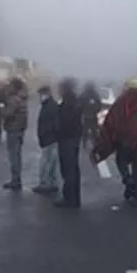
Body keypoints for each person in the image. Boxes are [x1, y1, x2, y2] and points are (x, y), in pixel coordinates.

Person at [92, 79, 137, 205]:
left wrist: (109, 136)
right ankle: (135, 185)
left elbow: (112, 119)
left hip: (124, 139)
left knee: (121, 161)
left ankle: (127, 179)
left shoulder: (122, 101)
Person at [54, 79, 83, 208]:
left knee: (68, 169)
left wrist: (58, 133)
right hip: (73, 138)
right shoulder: (74, 101)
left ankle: (69, 198)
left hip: (67, 139)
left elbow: (65, 123)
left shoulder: (68, 103)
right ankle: (74, 198)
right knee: (73, 169)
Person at [30, 85, 61, 194]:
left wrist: (46, 134)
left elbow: (52, 123)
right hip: (50, 138)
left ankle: (46, 184)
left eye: (41, 95)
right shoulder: (50, 105)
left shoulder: (50, 106)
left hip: (49, 139)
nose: (40, 97)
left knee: (46, 162)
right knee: (51, 162)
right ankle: (52, 183)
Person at [1, 78, 29, 191]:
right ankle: (16, 179)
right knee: (17, 155)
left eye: (10, 86)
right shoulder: (22, 99)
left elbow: (8, 113)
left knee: (13, 156)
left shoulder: (13, 100)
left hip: (13, 130)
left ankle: (15, 180)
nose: (8, 87)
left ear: (14, 87)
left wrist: (1, 108)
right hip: (19, 130)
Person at [78, 82, 103, 149]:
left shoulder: (84, 95)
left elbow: (79, 105)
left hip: (87, 116)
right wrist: (95, 111)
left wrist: (82, 111)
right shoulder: (95, 95)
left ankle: (86, 144)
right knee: (92, 132)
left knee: (86, 132)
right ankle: (94, 144)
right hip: (91, 116)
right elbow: (99, 105)